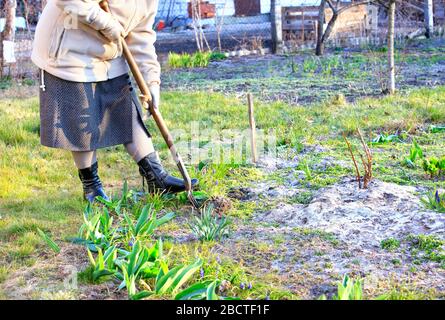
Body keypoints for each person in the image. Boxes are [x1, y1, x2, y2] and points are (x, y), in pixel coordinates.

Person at [31, 0, 198, 203]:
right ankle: (92, 188)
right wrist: (107, 23)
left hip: (108, 54)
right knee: (82, 123)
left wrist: (152, 80)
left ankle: (157, 178)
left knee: (127, 111)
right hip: (67, 51)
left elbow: (140, 36)